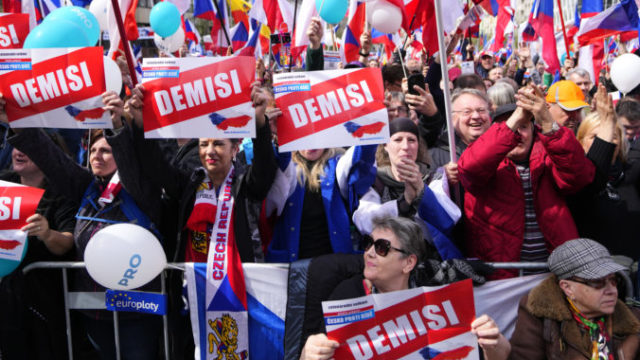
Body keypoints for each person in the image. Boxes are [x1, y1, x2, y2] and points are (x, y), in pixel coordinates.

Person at [1, 91, 164, 360]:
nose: (97, 156)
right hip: (92, 311)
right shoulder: (86, 187)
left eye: (107, 151)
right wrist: (17, 123)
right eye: (94, 151)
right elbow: (51, 157)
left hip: (135, 311)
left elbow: (132, 167)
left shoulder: (141, 190)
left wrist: (117, 127)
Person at [300, 216, 511, 360]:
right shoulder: (347, 293)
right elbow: (314, 354)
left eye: (382, 248)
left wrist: (494, 342)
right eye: (368, 243)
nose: (370, 253)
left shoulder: (441, 298)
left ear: (408, 263)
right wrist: (309, 352)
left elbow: (498, 354)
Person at [457, 85, 596, 279]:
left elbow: (579, 176)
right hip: (502, 277)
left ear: (534, 130)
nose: (517, 135)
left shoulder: (549, 157)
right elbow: (470, 168)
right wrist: (516, 118)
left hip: (554, 272)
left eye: (524, 126)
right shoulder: (484, 162)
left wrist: (548, 122)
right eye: (512, 128)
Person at [0, 141, 77, 360]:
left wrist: (47, 233)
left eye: (28, 145)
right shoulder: (5, 182)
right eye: (15, 145)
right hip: (7, 294)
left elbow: (66, 243)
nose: (18, 151)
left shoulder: (62, 194)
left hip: (41, 298)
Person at [509, 238, 640, 360]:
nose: (612, 290)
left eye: (613, 280)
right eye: (597, 282)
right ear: (567, 288)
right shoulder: (539, 315)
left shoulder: (634, 320)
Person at [353, 118, 461, 260]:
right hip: (386, 260)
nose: (405, 146)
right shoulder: (374, 180)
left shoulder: (434, 177)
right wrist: (403, 203)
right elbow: (364, 221)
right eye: (398, 140)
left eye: (411, 140)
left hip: (429, 259)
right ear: (385, 145)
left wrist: (421, 190)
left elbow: (447, 221)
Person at [264, 140, 376, 262]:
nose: (310, 144)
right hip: (294, 265)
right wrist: (279, 140)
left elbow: (362, 163)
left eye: (315, 138)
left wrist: (369, 133)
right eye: (302, 139)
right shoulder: (286, 167)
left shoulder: (338, 165)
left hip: (333, 263)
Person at [571, 87, 640, 257]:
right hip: (593, 272)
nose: (608, 141)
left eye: (613, 135)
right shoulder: (576, 179)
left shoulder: (633, 172)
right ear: (581, 141)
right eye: (596, 136)